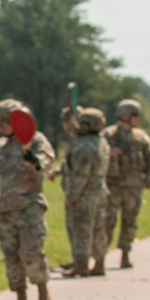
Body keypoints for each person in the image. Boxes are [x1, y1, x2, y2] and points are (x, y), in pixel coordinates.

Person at [0, 99, 55, 300]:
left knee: (32, 251)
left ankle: (43, 293)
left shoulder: (35, 140)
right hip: (7, 210)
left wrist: (35, 161)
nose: (1, 128)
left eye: (5, 123)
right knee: (11, 254)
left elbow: (46, 161)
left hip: (30, 207)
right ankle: (21, 299)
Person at [102, 99, 150, 268]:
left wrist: (148, 178)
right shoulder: (108, 135)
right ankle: (100, 257)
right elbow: (96, 156)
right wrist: (109, 154)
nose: (137, 119)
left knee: (130, 222)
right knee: (107, 221)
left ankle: (125, 254)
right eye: (134, 115)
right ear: (124, 115)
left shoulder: (141, 137)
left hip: (134, 187)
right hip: (113, 185)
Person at [61, 108, 110, 277]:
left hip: (85, 195)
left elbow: (80, 176)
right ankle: (99, 262)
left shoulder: (84, 147)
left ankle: (81, 265)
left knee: (81, 228)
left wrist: (71, 197)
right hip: (100, 191)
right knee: (98, 229)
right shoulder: (101, 142)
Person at [48, 106, 78, 270]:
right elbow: (69, 165)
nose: (65, 125)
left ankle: (80, 263)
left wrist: (74, 194)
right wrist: (58, 171)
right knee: (74, 227)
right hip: (74, 189)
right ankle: (77, 260)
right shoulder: (75, 140)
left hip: (78, 191)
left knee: (79, 228)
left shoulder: (79, 141)